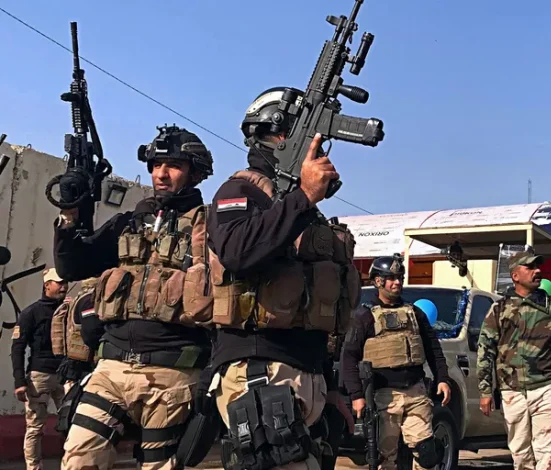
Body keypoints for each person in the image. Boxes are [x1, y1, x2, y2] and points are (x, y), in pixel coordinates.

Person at [207, 87, 358, 470]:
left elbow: (308, 303)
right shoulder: (240, 190)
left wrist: (329, 385)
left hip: (304, 371)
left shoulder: (298, 207)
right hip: (261, 370)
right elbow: (237, 252)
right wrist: (303, 196)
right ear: (279, 136)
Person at [54, 124, 216, 470]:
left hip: (173, 374)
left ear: (195, 173)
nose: (161, 173)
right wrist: (70, 212)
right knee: (78, 458)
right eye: (156, 165)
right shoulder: (129, 223)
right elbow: (72, 266)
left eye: (173, 165)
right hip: (111, 368)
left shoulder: (210, 230)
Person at [341, 255, 451, 470]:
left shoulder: (415, 314)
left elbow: (433, 349)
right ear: (378, 281)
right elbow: (349, 356)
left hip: (416, 392)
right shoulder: (365, 317)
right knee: (384, 458)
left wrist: (442, 378)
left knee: (427, 454)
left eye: (400, 277)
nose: (397, 282)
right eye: (391, 278)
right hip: (383, 396)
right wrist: (356, 396)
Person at [476, 246, 551, 470]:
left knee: (548, 457)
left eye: (538, 266)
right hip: (512, 391)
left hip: (547, 387)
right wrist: (485, 391)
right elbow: (485, 350)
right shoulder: (499, 309)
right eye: (530, 267)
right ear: (515, 275)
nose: (537, 270)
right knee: (521, 456)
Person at [11, 267, 67, 470]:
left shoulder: (68, 310)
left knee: (72, 424)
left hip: (66, 376)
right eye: (59, 283)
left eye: (65, 282)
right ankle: (33, 467)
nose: (64, 286)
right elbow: (17, 348)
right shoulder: (31, 313)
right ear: (47, 285)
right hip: (40, 377)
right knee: (35, 427)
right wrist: (19, 382)